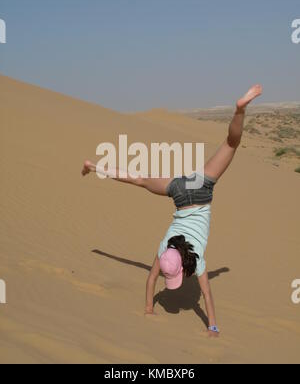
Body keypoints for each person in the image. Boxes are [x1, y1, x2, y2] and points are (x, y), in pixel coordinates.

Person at [82, 84, 263, 338]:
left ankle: (95, 166)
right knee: (143, 178)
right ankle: (94, 166)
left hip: (200, 193)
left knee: (228, 146)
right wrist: (147, 307)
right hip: (182, 189)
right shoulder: (164, 247)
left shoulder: (196, 259)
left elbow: (202, 294)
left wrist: (211, 327)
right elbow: (152, 281)